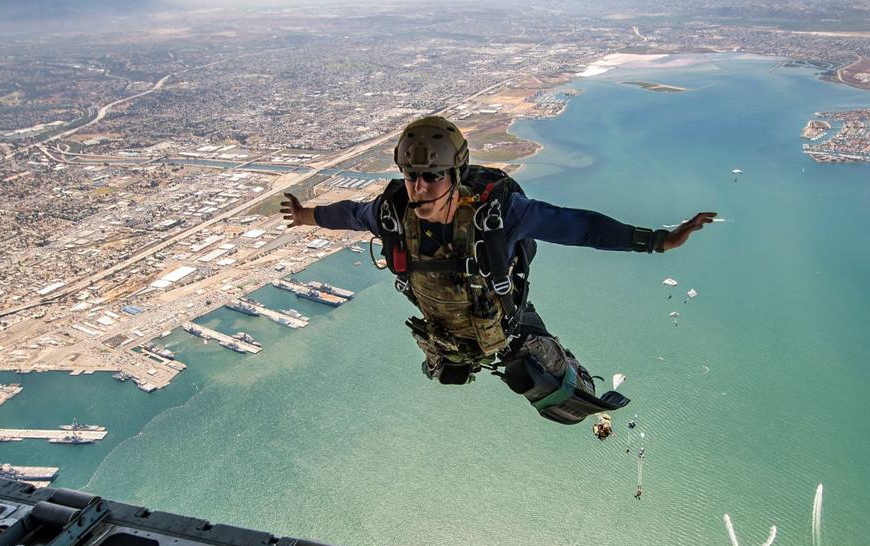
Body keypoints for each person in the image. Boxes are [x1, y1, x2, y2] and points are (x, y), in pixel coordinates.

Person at [280, 116, 715, 426]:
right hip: (444, 332)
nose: (419, 187)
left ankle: (574, 377)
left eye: (432, 176)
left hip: (508, 330)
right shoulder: (393, 213)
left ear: (455, 173)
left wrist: (658, 240)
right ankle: (459, 360)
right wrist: (305, 216)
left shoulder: (499, 215)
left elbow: (579, 227)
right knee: (449, 375)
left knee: (558, 397)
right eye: (412, 175)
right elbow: (352, 214)